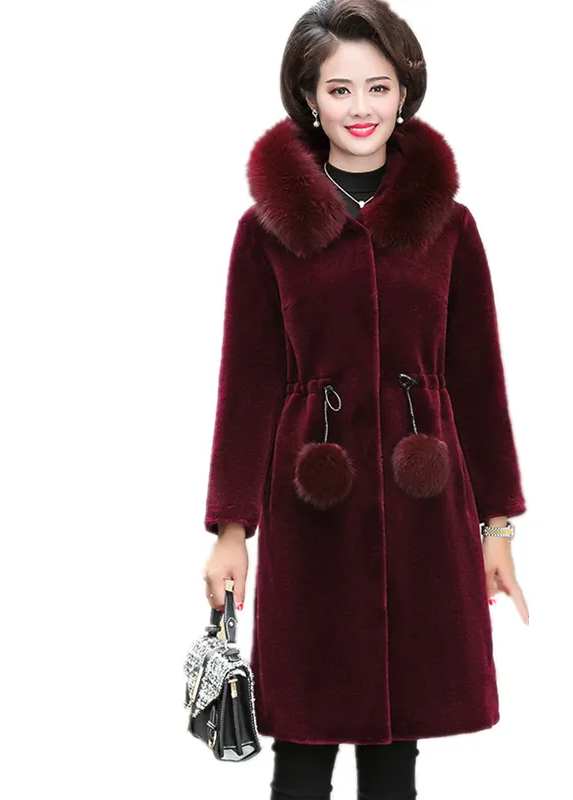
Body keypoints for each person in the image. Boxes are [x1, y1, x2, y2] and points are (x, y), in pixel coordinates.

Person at [201, 1, 529, 796]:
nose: (361, 108)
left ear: (404, 91)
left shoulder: (450, 227)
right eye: (339, 89)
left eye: (378, 87)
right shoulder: (266, 230)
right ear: (308, 97)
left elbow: (478, 378)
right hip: (309, 505)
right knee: (302, 746)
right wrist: (231, 531)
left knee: (396, 750)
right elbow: (247, 383)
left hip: (424, 506)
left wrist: (497, 526)